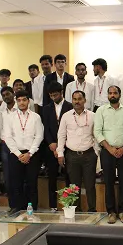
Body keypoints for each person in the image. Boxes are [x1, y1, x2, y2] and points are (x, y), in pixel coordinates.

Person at [94, 85, 123, 224]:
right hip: (107, 151)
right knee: (108, 182)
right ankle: (111, 212)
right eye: (110, 93)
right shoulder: (101, 110)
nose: (112, 95)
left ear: (119, 94)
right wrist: (109, 148)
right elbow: (97, 131)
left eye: (115, 93)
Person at [57, 90, 99, 212]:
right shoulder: (66, 116)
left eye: (80, 99)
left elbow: (97, 135)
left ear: (85, 100)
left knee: (90, 185)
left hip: (89, 155)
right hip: (72, 156)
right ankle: (76, 212)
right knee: (74, 187)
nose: (77, 102)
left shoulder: (93, 115)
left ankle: (92, 211)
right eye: (74, 99)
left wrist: (96, 152)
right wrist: (60, 153)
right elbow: (61, 135)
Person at [3, 90, 43, 214]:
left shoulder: (36, 117)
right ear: (16, 101)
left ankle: (33, 209)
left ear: (28, 101)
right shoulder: (10, 117)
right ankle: (18, 209)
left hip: (32, 155)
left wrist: (29, 153)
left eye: (24, 100)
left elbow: (39, 136)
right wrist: (19, 154)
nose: (22, 102)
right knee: (16, 183)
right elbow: (7, 137)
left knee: (32, 184)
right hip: (16, 155)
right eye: (19, 100)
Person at [42, 82, 73, 212]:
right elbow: (45, 128)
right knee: (52, 177)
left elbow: (72, 128)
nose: (53, 97)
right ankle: (53, 205)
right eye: (51, 95)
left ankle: (69, 205)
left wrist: (61, 146)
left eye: (55, 95)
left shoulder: (70, 106)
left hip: (67, 146)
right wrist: (51, 143)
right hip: (52, 147)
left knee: (68, 177)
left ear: (61, 93)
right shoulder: (46, 108)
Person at [0, 86, 17, 206]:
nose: (6, 97)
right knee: (8, 176)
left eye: (8, 94)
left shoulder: (20, 108)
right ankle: (12, 205)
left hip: (20, 145)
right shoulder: (2, 111)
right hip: (6, 146)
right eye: (4, 95)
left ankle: (24, 204)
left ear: (13, 94)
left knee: (20, 176)